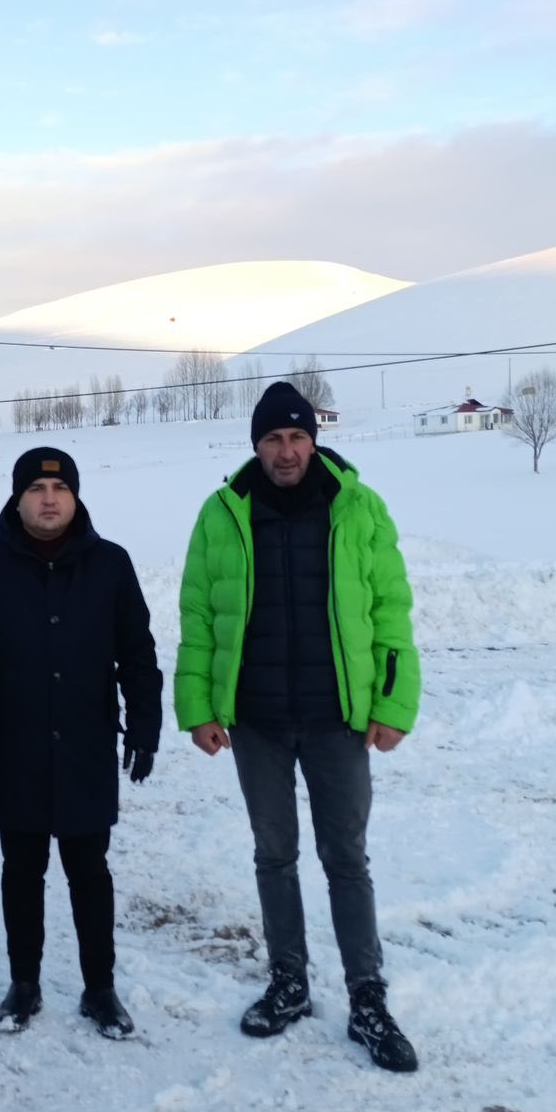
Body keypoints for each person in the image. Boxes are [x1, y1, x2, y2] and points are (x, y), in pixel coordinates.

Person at [176, 382, 423, 1072]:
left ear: (313, 441)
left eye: (296, 438)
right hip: (255, 719)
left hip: (335, 720)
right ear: (255, 445)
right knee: (274, 854)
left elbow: (392, 614)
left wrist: (392, 705)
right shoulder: (224, 514)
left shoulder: (358, 508)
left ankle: (367, 998)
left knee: (346, 857)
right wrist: (199, 706)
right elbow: (198, 616)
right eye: (272, 440)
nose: (286, 452)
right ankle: (289, 981)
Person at [0, 447, 161, 1038]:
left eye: (59, 488)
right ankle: (25, 984)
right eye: (36, 489)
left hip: (87, 747)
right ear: (17, 499)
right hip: (15, 749)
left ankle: (100, 989)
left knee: (89, 869)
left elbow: (138, 655)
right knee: (22, 869)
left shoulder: (111, 565)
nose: (48, 499)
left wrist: (144, 725)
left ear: (75, 496)